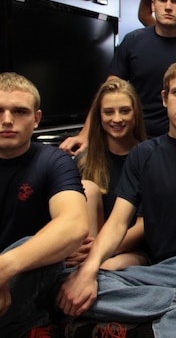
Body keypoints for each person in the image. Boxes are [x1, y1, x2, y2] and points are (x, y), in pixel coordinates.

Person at [56, 60, 176, 338]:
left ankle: (152, 330)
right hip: (159, 271)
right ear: (164, 98)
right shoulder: (143, 154)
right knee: (66, 280)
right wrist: (88, 271)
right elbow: (116, 224)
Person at [59, 0, 176, 155]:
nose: (168, 6)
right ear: (153, 5)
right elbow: (108, 92)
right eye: (163, 0)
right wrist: (85, 134)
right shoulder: (133, 41)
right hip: (136, 139)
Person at [0, 72, 88, 338]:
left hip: (33, 274)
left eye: (19, 112)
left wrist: (4, 268)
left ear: (36, 119)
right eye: (0, 111)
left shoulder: (54, 161)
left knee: (36, 243)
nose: (7, 120)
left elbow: (74, 225)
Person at [69, 79, 148, 273]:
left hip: (133, 250)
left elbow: (145, 225)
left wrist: (101, 250)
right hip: (88, 250)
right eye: (109, 112)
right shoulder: (83, 161)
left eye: (124, 111)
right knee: (88, 188)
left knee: (105, 269)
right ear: (99, 116)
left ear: (135, 113)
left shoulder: (151, 156)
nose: (117, 119)